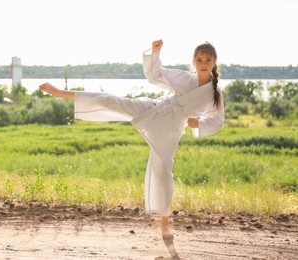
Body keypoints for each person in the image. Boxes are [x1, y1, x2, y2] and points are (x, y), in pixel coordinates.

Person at [39, 39, 224, 254]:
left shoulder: (215, 94)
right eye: (199, 60)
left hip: (171, 128)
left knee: (163, 170)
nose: (203, 63)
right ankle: (63, 93)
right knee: (111, 99)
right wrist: (155, 53)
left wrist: (198, 123)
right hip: (155, 108)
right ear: (193, 62)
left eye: (207, 60)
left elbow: (217, 121)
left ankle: (165, 222)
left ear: (214, 62)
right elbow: (156, 75)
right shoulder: (185, 79)